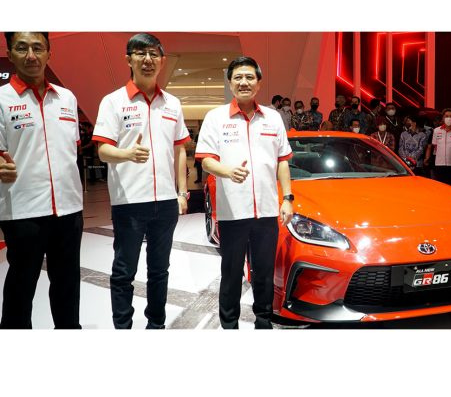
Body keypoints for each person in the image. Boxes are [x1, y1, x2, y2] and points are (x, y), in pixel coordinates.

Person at [92, 33, 191, 329]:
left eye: (153, 54)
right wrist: (126, 153)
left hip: (166, 203)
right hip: (130, 202)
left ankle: (156, 325)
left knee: (160, 271)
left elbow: (180, 149)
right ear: (129, 59)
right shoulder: (113, 101)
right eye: (140, 53)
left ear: (162, 60)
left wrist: (182, 192)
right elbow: (102, 150)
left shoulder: (172, 103)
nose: (147, 60)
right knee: (124, 271)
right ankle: (123, 328)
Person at [196, 56, 293, 329]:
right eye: (238, 77)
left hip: (266, 211)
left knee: (264, 273)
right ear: (230, 83)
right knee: (231, 273)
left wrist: (288, 198)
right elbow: (205, 160)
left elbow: (283, 161)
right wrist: (226, 171)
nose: (244, 82)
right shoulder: (215, 118)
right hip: (233, 212)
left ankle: (264, 322)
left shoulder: (273, 118)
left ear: (259, 83)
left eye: (250, 77)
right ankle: (230, 325)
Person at [0, 32, 83, 329]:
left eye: (38, 47)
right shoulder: (2, 99)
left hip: (69, 209)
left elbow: (71, 149)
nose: (31, 56)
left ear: (49, 52)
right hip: (23, 211)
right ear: (10, 53)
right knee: (21, 287)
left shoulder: (66, 98)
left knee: (68, 285)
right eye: (22, 48)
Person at [426, 108, 451, 187]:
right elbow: (435, 145)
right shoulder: (436, 130)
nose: (449, 118)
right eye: (446, 116)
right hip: (439, 163)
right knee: (441, 186)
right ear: (443, 118)